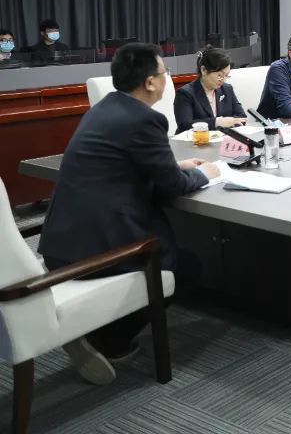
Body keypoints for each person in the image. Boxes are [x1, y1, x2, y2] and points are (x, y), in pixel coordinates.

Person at [38, 43, 218, 382]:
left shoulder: (104, 109)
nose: (168, 80)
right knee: (185, 266)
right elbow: (172, 186)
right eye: (165, 73)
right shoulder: (146, 119)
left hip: (60, 241)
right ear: (150, 82)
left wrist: (176, 165)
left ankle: (96, 326)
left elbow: (125, 164)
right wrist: (204, 174)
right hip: (100, 246)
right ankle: (109, 341)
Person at [174, 46, 247, 133]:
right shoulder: (185, 93)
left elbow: (241, 117)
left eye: (226, 75)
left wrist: (229, 124)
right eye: (219, 75)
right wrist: (217, 122)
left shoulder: (227, 89)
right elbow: (185, 125)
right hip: (194, 140)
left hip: (222, 138)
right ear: (204, 70)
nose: (223, 80)